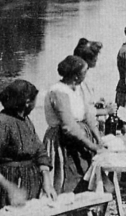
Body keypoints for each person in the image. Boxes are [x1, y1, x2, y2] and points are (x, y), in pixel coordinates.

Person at [0, 80, 56, 215]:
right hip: (5, 188)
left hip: (27, 184)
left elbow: (39, 150)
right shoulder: (1, 124)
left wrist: (46, 180)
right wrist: (9, 188)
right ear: (27, 102)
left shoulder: (25, 119)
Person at [43, 56, 104, 194]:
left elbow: (88, 114)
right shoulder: (58, 92)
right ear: (76, 76)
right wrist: (91, 145)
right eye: (84, 72)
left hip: (80, 135)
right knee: (69, 173)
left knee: (84, 170)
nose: (86, 74)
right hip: (65, 139)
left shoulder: (78, 88)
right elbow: (69, 126)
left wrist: (98, 139)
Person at [73, 38, 118, 123]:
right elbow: (81, 110)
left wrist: (100, 101)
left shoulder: (87, 75)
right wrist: (106, 111)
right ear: (87, 59)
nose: (97, 59)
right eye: (95, 56)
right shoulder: (79, 80)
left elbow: (89, 99)